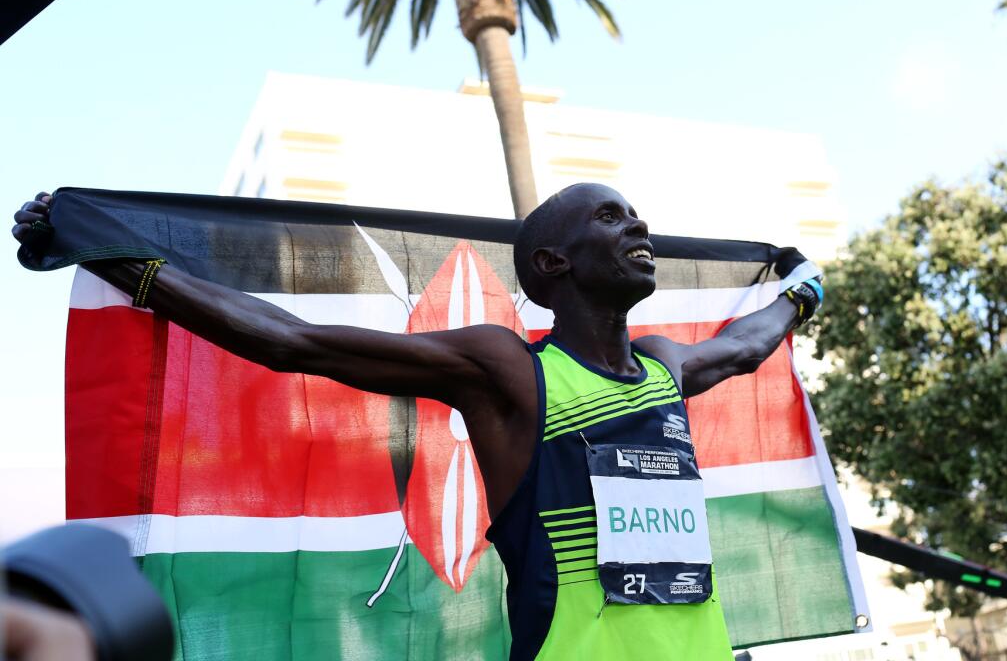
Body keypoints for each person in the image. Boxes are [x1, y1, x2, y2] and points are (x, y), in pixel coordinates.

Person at [12, 183, 823, 661]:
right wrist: (122, 262)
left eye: (635, 216)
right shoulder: (510, 370)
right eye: (611, 219)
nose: (639, 228)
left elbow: (748, 345)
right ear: (552, 264)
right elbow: (297, 344)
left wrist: (800, 292)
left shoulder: (664, 370)